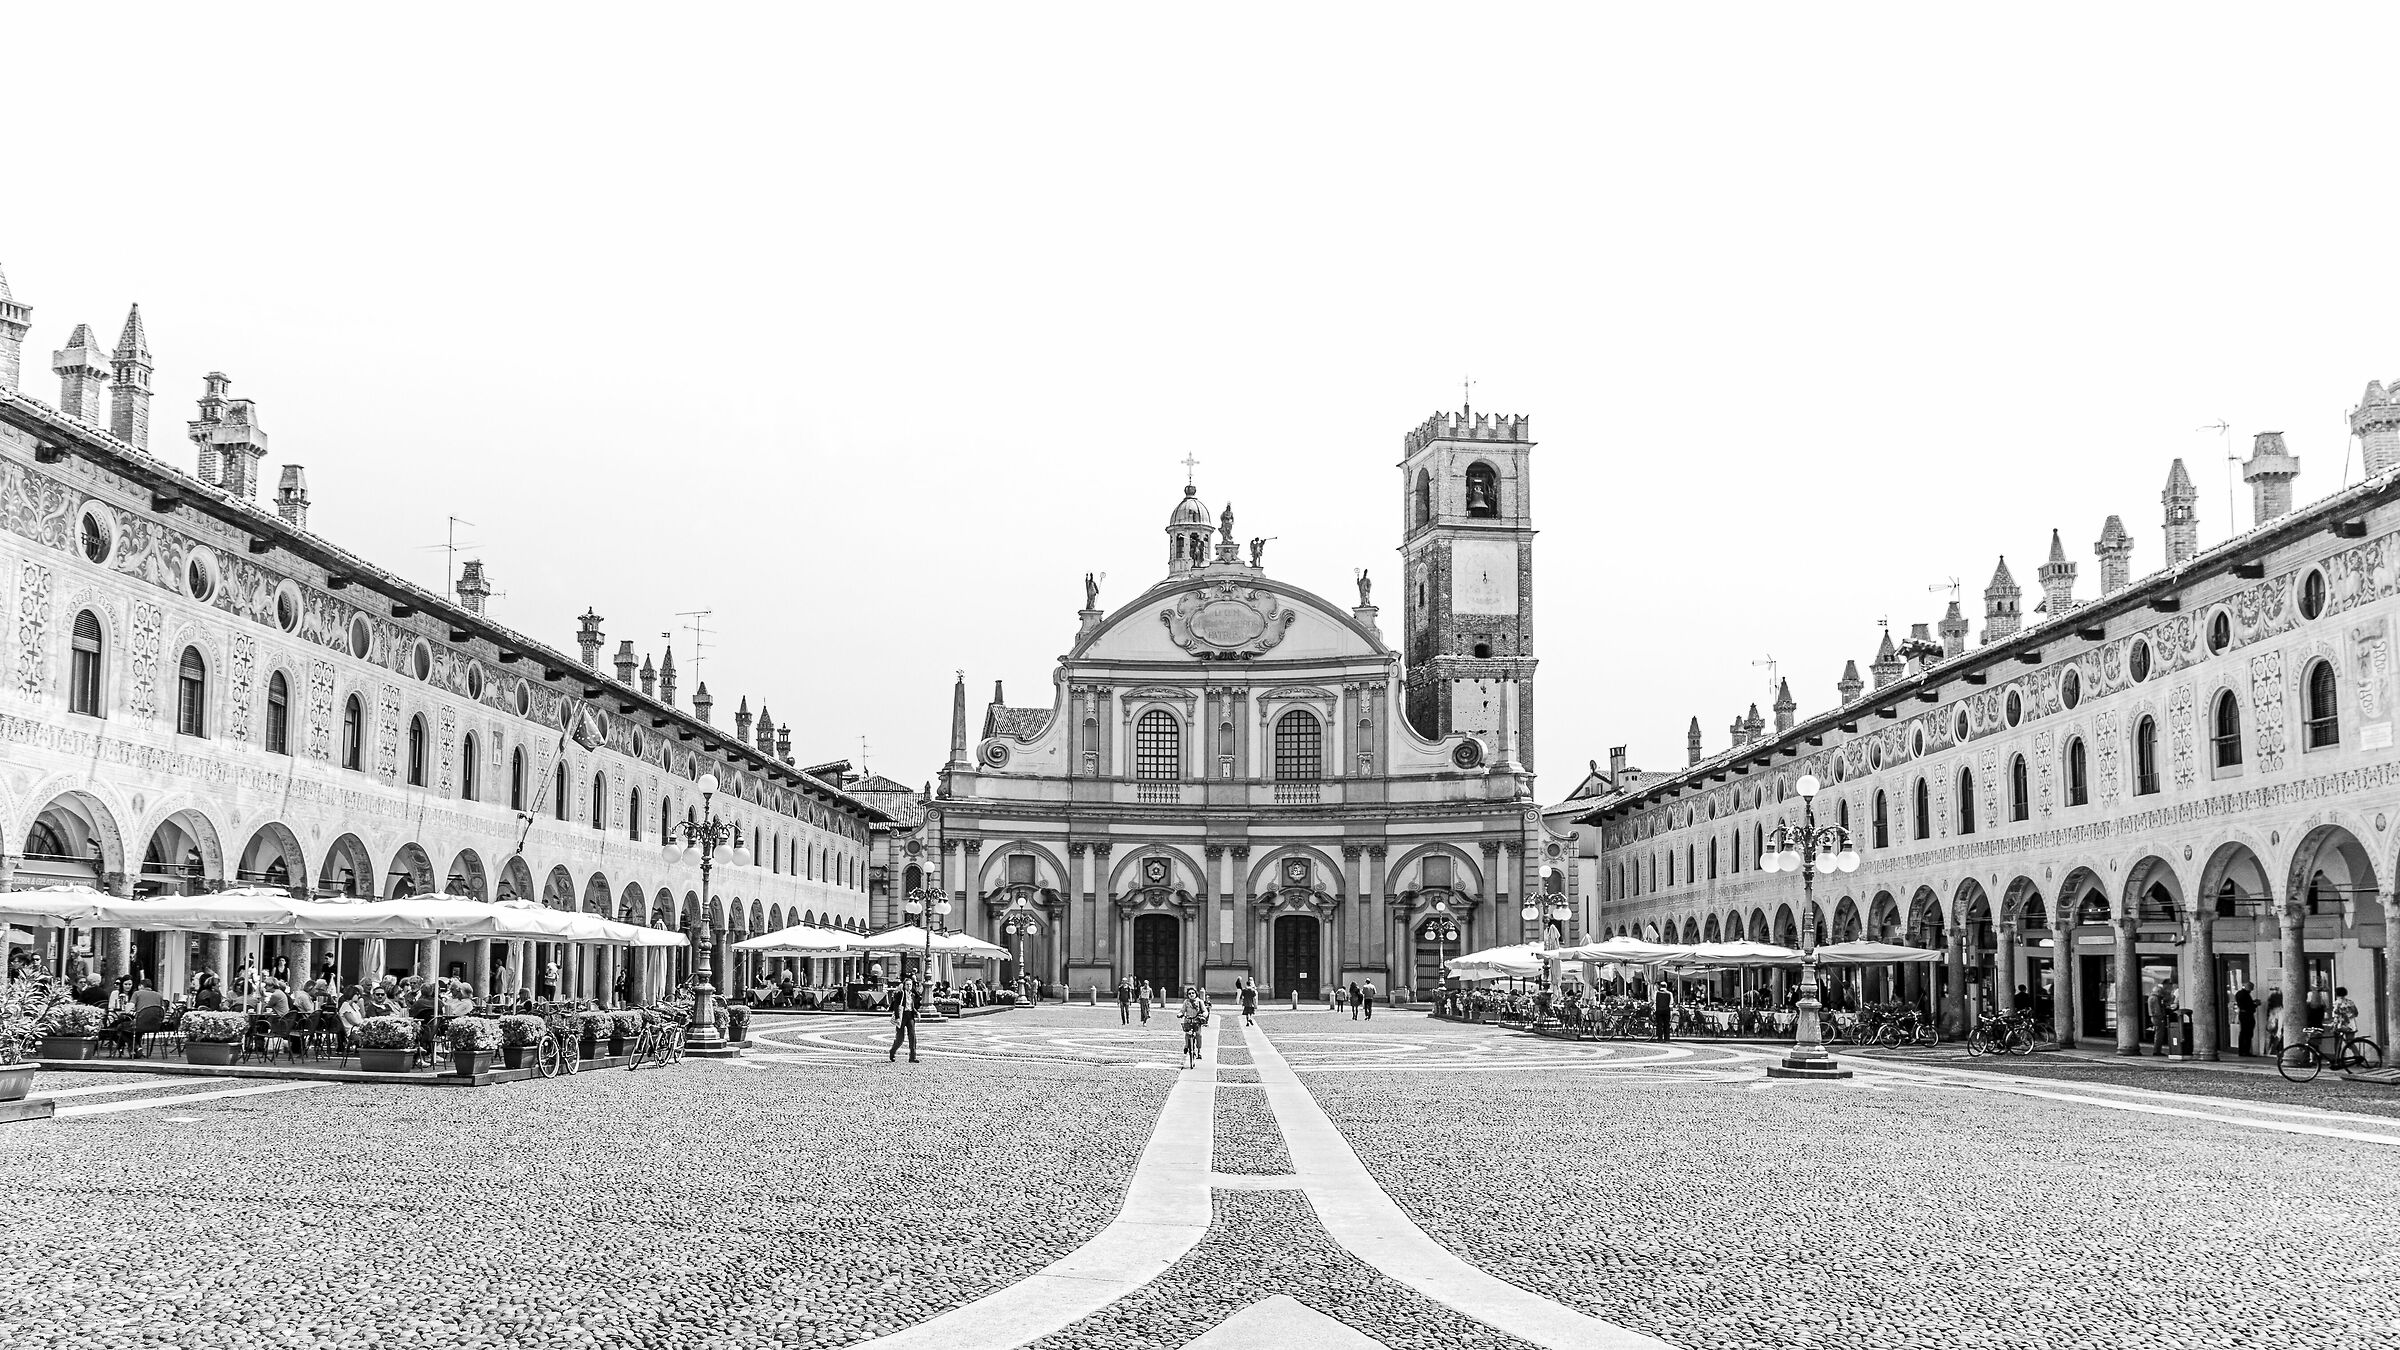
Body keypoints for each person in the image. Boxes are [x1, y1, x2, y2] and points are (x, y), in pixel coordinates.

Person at [888, 978, 921, 1064]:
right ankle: (892, 1051)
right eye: (907, 984)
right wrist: (897, 1018)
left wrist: (916, 1012)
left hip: (910, 1016)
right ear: (904, 985)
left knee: (912, 1036)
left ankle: (912, 1057)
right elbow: (896, 1006)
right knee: (900, 1038)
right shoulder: (900, 994)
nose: (909, 986)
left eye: (910, 985)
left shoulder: (912, 995)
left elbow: (912, 1006)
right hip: (902, 1016)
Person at [1177, 984, 1208, 1069]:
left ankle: (1199, 1050)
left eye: (1193, 993)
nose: (1191, 995)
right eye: (1189, 993)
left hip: (1196, 1021)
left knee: (1198, 1035)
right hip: (1188, 1021)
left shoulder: (1200, 1001)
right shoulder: (1186, 1002)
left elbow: (1205, 1011)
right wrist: (1180, 1014)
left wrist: (1204, 1015)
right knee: (1187, 1034)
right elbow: (1182, 1010)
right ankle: (1187, 1046)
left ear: (1196, 993)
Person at [2232, 980, 2257, 1057]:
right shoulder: (2245, 994)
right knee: (2247, 1033)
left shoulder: (2239, 994)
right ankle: (2245, 1051)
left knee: (2244, 1033)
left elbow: (2244, 1004)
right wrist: (2255, 1004)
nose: (2252, 990)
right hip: (2247, 1015)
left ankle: (2242, 1051)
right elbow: (2247, 1006)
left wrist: (2253, 1003)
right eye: (2251, 988)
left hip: (2243, 1015)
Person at [2264, 989, 2286, 1056]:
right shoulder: (2280, 1010)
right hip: (2276, 1029)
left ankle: (2268, 1053)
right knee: (2275, 1044)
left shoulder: (2271, 1009)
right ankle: (2271, 1052)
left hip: (2270, 1028)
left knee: (2268, 1042)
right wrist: (2279, 1032)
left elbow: (2269, 1019)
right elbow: (2280, 1022)